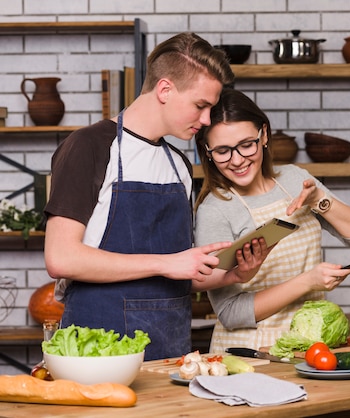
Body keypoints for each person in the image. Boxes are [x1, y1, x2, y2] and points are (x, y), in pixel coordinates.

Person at [43, 33, 271, 361]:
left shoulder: (178, 164)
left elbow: (174, 275)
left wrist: (234, 274)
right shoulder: (89, 147)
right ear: (165, 89)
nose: (207, 120)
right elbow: (61, 258)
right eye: (201, 105)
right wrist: (169, 262)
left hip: (172, 348)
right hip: (100, 348)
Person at [194, 88, 350, 353]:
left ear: (264, 135)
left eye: (247, 144)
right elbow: (230, 313)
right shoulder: (215, 210)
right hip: (251, 354)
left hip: (311, 347)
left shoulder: (294, 179)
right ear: (208, 152)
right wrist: (308, 282)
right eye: (223, 151)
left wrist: (319, 201)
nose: (237, 160)